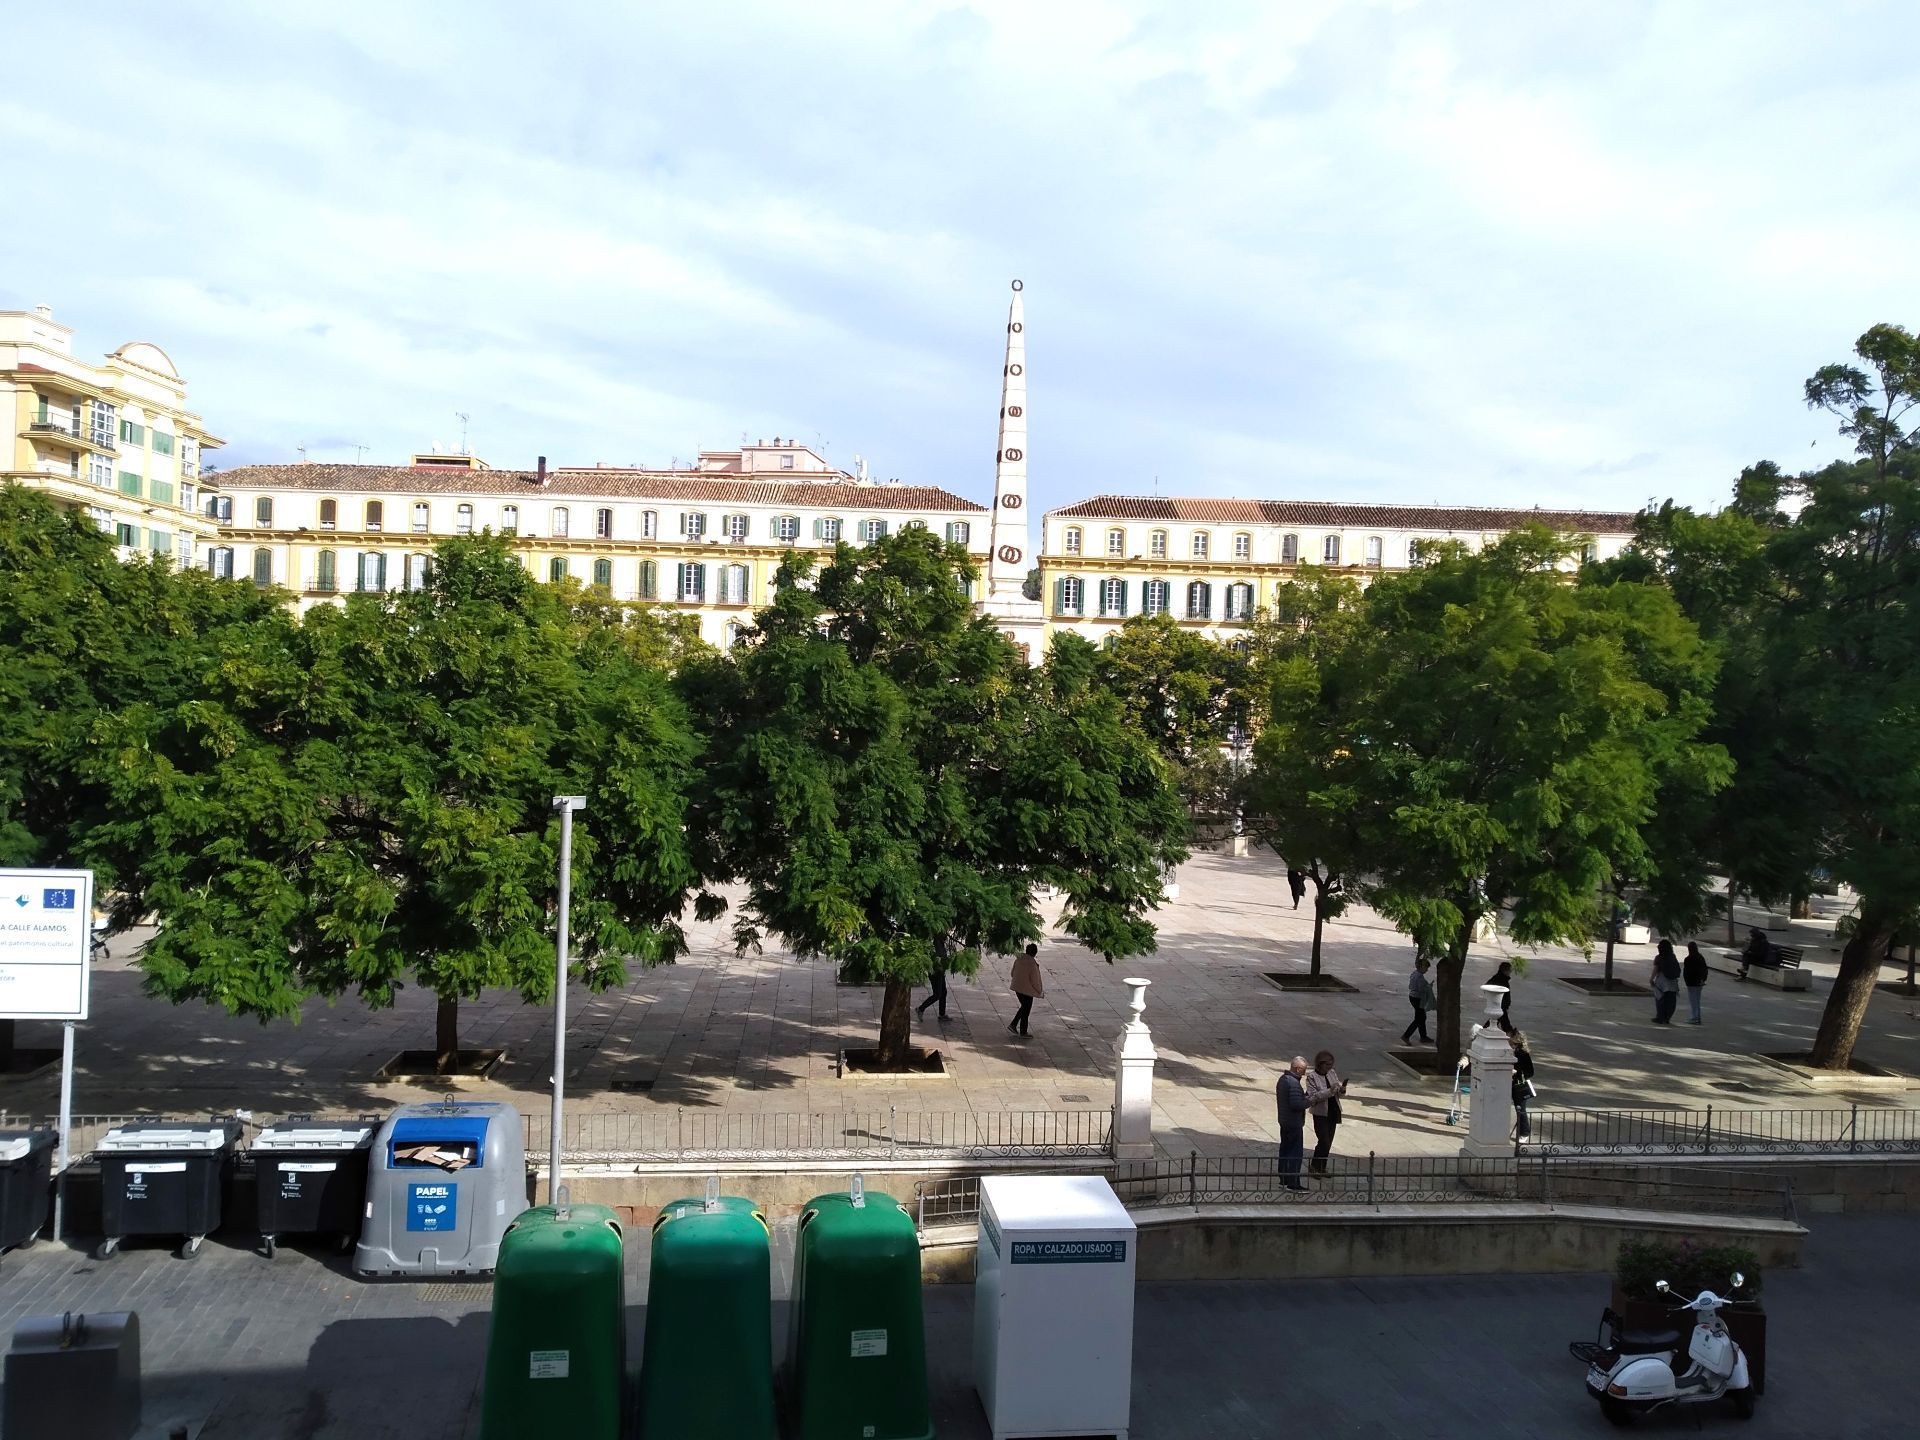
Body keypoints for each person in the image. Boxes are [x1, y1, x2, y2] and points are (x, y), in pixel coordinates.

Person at [1303, 1050, 1348, 1174]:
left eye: (1331, 1065)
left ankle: (1322, 1167)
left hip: (1333, 1110)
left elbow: (1337, 1091)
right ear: (1320, 1064)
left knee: (1329, 1141)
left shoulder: (1331, 1073)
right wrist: (1330, 1091)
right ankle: (1314, 1166)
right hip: (1321, 1113)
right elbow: (1313, 1096)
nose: (1330, 1068)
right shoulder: (1312, 1077)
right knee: (1323, 1140)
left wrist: (1341, 1090)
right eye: (1327, 1065)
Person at [1275, 1055, 1310, 1191]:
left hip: (1284, 1121)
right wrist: (1309, 1100)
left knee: (1284, 1150)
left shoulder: (1283, 1080)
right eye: (1303, 1070)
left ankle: (1283, 1179)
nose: (1304, 1073)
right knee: (1295, 1153)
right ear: (1297, 1069)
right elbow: (1296, 1104)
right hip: (1294, 1123)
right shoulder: (1293, 1083)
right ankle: (1292, 1182)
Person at [1008, 943, 1043, 1036]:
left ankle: (1014, 1024)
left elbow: (1012, 973)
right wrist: (1040, 991)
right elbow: (1035, 981)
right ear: (1035, 953)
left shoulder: (1018, 959)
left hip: (1017, 987)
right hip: (1027, 990)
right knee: (1026, 1009)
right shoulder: (1032, 964)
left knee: (1024, 1007)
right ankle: (1022, 1031)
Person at [1510, 1030, 1536, 1143]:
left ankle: (1524, 1132)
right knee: (1518, 1108)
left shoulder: (1523, 1054)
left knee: (1521, 1109)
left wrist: (1517, 1073)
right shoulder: (1512, 1052)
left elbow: (1530, 1072)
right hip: (1511, 1084)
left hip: (1519, 1086)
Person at [1402, 956, 1435, 1043]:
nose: (1427, 970)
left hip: (1412, 996)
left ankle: (1423, 1036)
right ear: (1421, 967)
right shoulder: (1419, 977)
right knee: (1419, 1018)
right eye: (1426, 968)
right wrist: (1429, 987)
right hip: (1417, 998)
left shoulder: (1414, 973)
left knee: (1421, 1017)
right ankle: (1406, 1035)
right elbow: (1421, 989)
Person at [1650, 939, 1682, 1024]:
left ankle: (1660, 1017)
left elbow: (1655, 970)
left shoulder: (1659, 958)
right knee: (1671, 1001)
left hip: (1661, 982)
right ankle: (1667, 1017)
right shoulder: (1673, 956)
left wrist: (1651, 979)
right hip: (1672, 983)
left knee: (1660, 1000)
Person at [1682, 940, 1709, 1025]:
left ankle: (1695, 1017)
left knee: (1693, 1001)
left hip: (1692, 983)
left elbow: (1687, 972)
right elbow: (1705, 969)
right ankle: (1697, 1017)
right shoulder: (1700, 957)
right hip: (1699, 982)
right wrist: (1703, 979)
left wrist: (1687, 981)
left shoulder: (1688, 959)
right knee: (1697, 1000)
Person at [1489, 961, 1515, 1033]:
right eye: (1510, 970)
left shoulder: (1500, 978)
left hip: (1501, 1005)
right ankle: (1511, 1035)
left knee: (1497, 1021)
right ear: (1505, 971)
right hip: (1500, 1005)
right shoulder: (1501, 979)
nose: (1510, 972)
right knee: (1503, 1023)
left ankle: (1511, 1034)